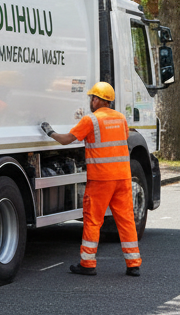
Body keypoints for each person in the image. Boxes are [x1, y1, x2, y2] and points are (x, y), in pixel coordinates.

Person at [40, 82, 142, 277]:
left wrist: (49, 131)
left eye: (92, 98)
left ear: (97, 99)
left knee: (93, 220)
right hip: (122, 177)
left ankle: (87, 263)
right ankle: (133, 264)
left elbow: (66, 140)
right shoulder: (121, 119)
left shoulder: (91, 120)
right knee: (126, 219)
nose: (91, 101)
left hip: (101, 179)